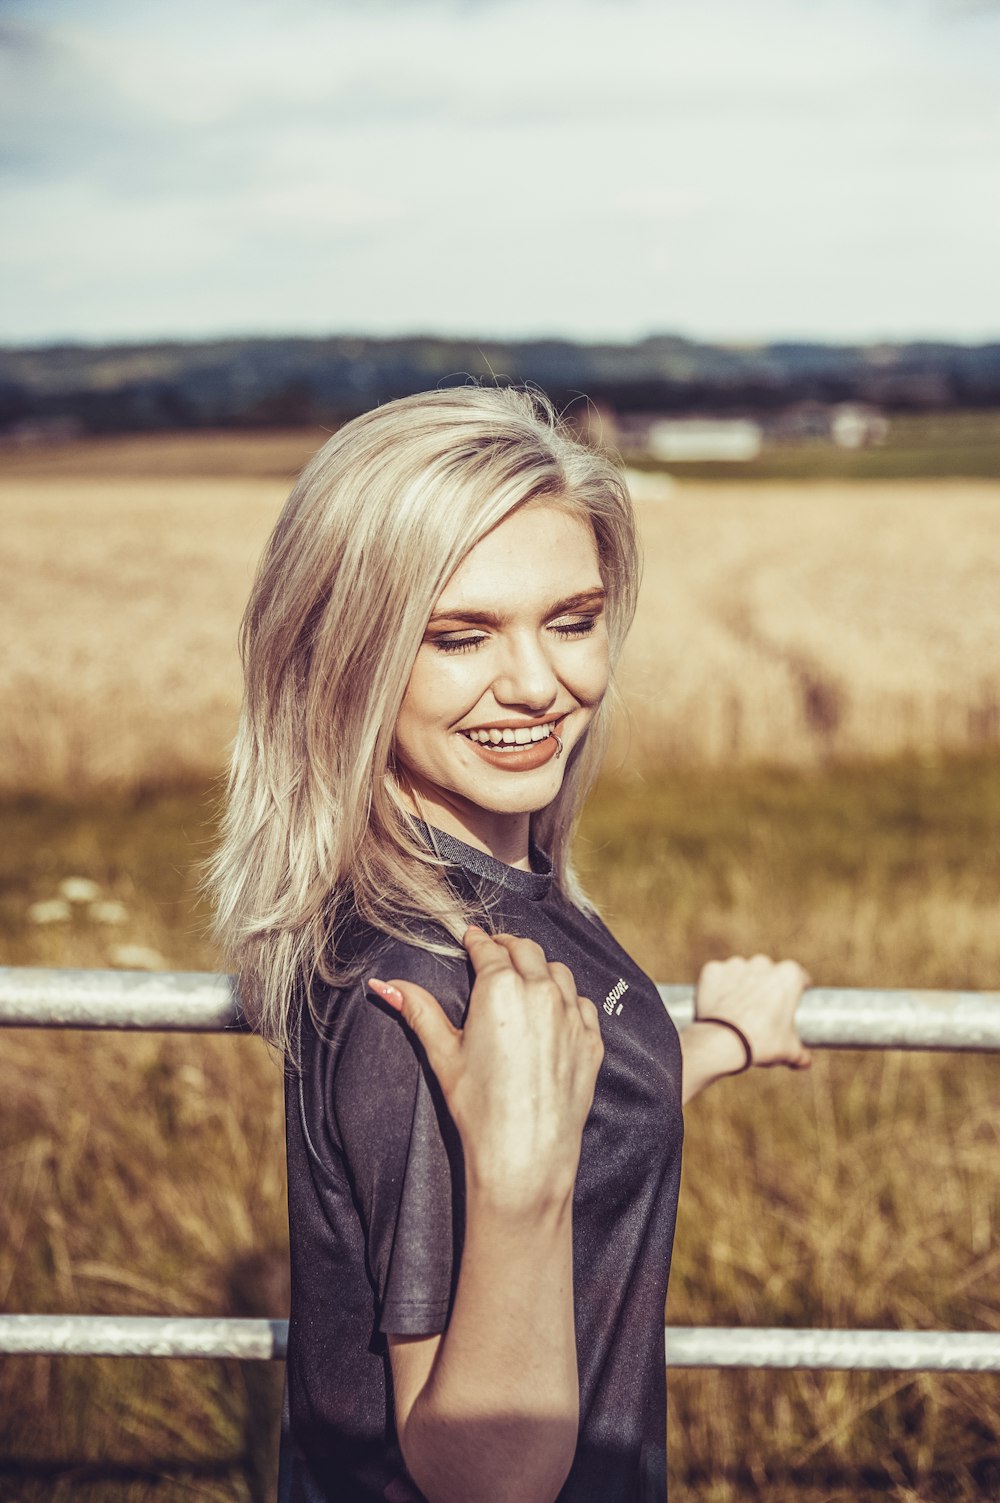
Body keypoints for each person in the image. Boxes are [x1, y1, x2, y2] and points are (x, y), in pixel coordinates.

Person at [210, 385, 812, 1503]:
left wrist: (713, 1044)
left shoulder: (488, 892)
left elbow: (559, 1096)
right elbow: (485, 1474)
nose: (540, 684)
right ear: (342, 652)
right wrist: (519, 1185)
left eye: (572, 621)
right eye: (459, 635)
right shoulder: (424, 980)